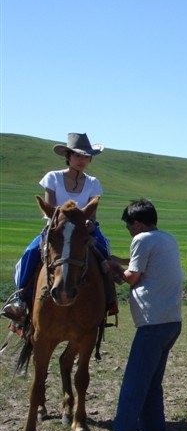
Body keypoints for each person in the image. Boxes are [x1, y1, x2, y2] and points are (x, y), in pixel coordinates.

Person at [1, 133, 116, 333]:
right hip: (57, 229)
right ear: (68, 156)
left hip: (82, 230)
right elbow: (50, 209)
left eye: (86, 157)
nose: (82, 160)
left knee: (103, 248)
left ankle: (108, 302)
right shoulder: (53, 177)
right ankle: (20, 301)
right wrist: (59, 226)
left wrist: (89, 224)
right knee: (29, 253)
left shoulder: (93, 183)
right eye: (78, 156)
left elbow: (93, 213)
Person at [97, 199, 183, 431]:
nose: (129, 230)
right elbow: (143, 264)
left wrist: (113, 267)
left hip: (152, 323)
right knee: (152, 382)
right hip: (171, 322)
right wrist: (121, 260)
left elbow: (131, 277)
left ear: (137, 222)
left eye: (129, 225)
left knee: (134, 383)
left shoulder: (142, 239)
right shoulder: (166, 239)